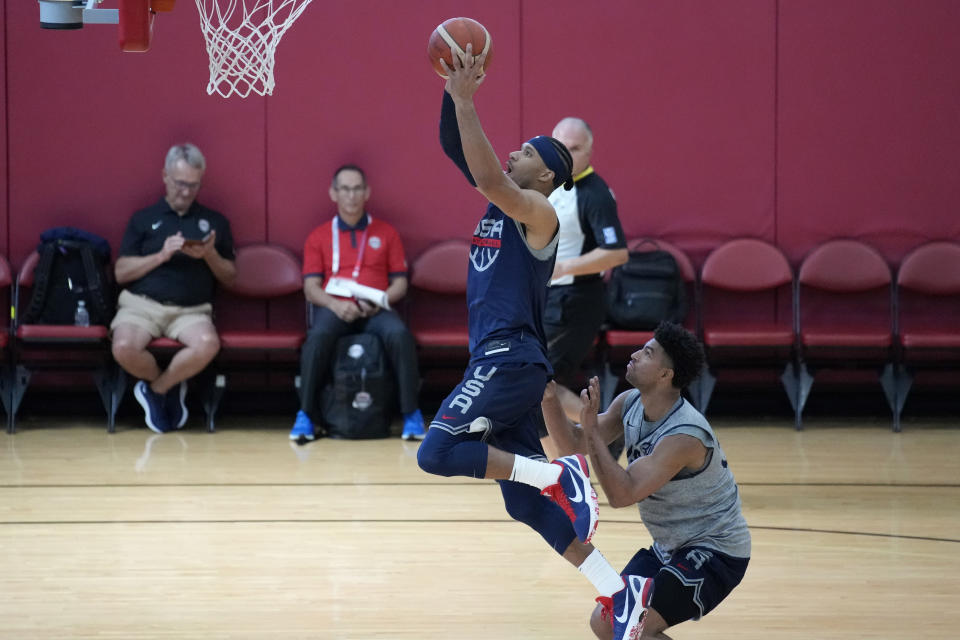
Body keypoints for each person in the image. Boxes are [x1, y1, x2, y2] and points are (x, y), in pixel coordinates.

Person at [416, 45, 633, 638]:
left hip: (508, 356)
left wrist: (467, 100)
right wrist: (450, 87)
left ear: (545, 175)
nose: (512, 152)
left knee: (434, 452)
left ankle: (561, 476)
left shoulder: (539, 211)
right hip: (507, 362)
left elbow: (487, 170)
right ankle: (619, 594)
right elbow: (454, 145)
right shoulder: (502, 196)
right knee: (520, 503)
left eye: (526, 152)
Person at [542, 321, 751, 639]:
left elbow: (622, 494)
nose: (635, 354)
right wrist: (548, 396)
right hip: (669, 546)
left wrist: (594, 433)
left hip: (715, 551)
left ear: (665, 375)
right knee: (606, 620)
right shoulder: (630, 403)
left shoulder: (683, 437)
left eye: (648, 352)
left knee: (635, 626)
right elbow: (573, 445)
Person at [289, 164, 426, 441]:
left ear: (367, 193)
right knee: (315, 340)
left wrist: (382, 300)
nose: (351, 195)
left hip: (374, 308)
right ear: (333, 193)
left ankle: (411, 414)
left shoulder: (386, 232)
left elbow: (400, 282)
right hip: (335, 307)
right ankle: (305, 416)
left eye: (357, 189)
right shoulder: (319, 236)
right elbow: (310, 287)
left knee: (400, 336)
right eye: (345, 189)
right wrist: (335, 305)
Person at [111, 143, 236, 434]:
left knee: (208, 345)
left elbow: (230, 277)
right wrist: (161, 256)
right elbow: (120, 273)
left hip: (191, 309)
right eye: (180, 183)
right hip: (142, 305)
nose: (186, 191)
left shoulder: (215, 222)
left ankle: (157, 390)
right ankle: (168, 386)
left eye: (193, 185)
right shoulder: (143, 218)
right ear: (165, 176)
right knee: (123, 347)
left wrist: (209, 254)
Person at [540, 117, 628, 458]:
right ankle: (607, 431)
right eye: (561, 146)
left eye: (575, 149)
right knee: (541, 386)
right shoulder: (548, 186)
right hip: (548, 299)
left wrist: (564, 267)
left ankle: (601, 435)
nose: (566, 154)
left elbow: (617, 253)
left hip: (576, 301)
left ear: (590, 151)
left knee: (540, 387)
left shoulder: (594, 193)